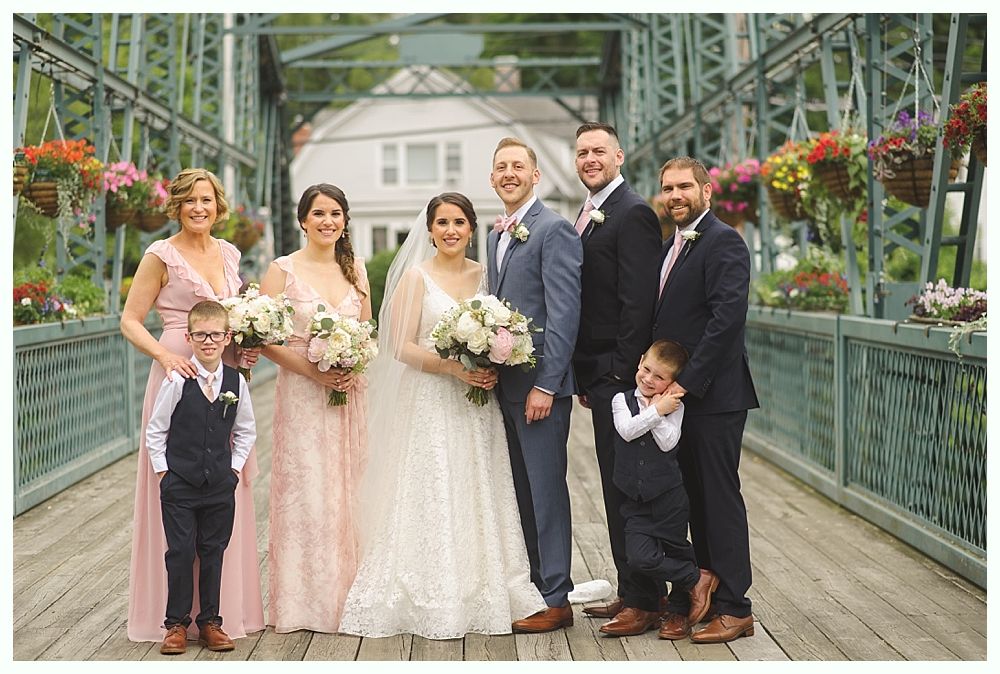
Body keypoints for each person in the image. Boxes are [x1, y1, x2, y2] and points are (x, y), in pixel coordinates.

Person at [339, 192, 547, 639]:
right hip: (431, 398)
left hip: (477, 403)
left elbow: (504, 331)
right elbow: (400, 345)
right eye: (442, 222)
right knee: (430, 484)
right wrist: (452, 366)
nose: (450, 230)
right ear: (430, 230)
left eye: (459, 221)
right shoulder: (416, 277)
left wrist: (490, 359)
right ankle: (428, 588)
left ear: (472, 228)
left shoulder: (487, 276)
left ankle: (484, 585)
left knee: (477, 483)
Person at [121, 168, 264, 643]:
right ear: (177, 206)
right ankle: (174, 619)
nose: (199, 208)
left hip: (223, 373)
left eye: (206, 200)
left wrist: (244, 348)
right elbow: (130, 320)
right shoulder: (159, 255)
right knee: (177, 493)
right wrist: (165, 356)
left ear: (217, 205)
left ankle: (217, 616)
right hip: (176, 374)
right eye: (189, 201)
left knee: (224, 483)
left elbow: (235, 316)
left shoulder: (229, 252)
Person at [652, 156, 759, 643]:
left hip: (713, 397)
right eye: (668, 187)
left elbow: (725, 323)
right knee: (693, 500)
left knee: (719, 500)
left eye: (683, 187)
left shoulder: (724, 242)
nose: (675, 195)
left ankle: (737, 607)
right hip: (682, 397)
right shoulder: (671, 245)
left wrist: (684, 384)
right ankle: (708, 592)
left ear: (706, 190)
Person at [258, 183, 371, 633]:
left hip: (349, 392)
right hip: (304, 398)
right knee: (309, 493)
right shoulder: (281, 271)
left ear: (345, 221)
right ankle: (307, 604)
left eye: (336, 213)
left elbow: (365, 332)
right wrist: (313, 371)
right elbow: (262, 337)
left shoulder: (357, 269)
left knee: (350, 488)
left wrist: (350, 362)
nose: (328, 221)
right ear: (303, 220)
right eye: (319, 213)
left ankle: (353, 595)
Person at [486, 137, 583, 633]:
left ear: (535, 174)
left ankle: (557, 597)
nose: (509, 173)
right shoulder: (494, 234)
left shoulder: (555, 230)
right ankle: (533, 589)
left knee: (546, 493)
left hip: (539, 390)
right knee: (520, 492)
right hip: (503, 388)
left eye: (517, 166)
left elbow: (565, 314)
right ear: (492, 178)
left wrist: (547, 384)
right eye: (501, 167)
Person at [570, 122, 664, 626]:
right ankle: (632, 588)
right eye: (582, 152)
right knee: (613, 482)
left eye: (598, 151)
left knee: (628, 485)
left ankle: (646, 600)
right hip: (598, 376)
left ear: (619, 156)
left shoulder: (633, 213)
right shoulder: (588, 213)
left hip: (620, 376)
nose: (590, 159)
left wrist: (616, 374)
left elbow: (638, 305)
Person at [146, 300, 256, 655]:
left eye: (215, 335)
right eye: (200, 335)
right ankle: (175, 624)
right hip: (179, 483)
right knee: (179, 552)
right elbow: (156, 431)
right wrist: (165, 474)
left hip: (219, 485)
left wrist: (233, 470)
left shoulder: (236, 381)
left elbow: (246, 431)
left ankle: (211, 622)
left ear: (227, 338)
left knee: (213, 552)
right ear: (188, 337)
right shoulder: (177, 379)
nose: (208, 341)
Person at [598, 339, 719, 639]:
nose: (650, 379)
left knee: (676, 548)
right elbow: (627, 431)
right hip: (635, 500)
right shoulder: (619, 400)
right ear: (640, 361)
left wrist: (660, 409)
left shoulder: (674, 405)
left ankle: (679, 610)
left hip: (668, 497)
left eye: (660, 377)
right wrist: (655, 411)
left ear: (671, 381)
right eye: (647, 370)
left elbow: (668, 442)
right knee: (639, 557)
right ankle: (697, 578)